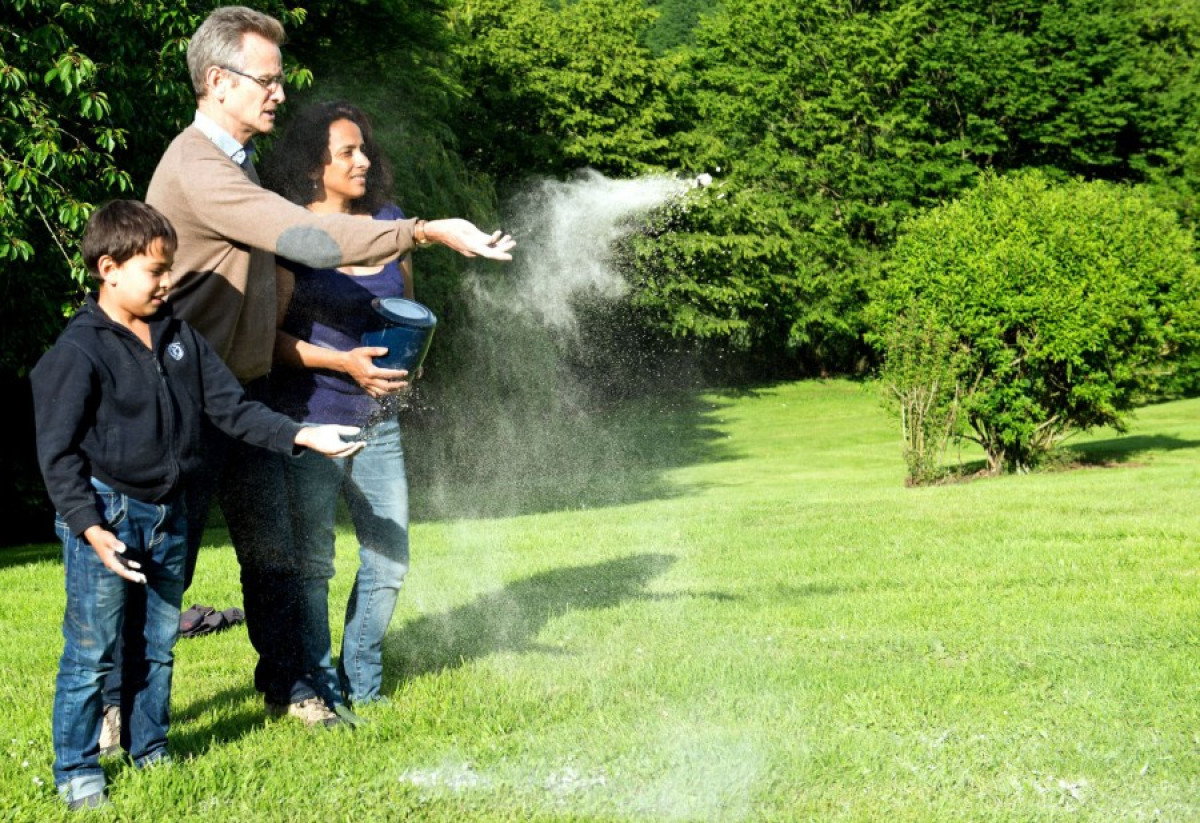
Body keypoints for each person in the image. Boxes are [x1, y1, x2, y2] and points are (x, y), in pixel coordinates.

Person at [134, 5, 514, 730]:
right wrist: (423, 230)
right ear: (218, 82)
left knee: (274, 555)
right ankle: (121, 711)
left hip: (240, 400)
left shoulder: (235, 163)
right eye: (266, 80)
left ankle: (294, 685)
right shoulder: (197, 165)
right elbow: (303, 235)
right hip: (180, 400)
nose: (279, 93)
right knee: (165, 566)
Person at [31, 201, 364, 811]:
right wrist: (90, 529)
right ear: (109, 267)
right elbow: (57, 456)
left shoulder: (179, 336)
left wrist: (303, 434)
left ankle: (149, 748)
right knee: (92, 649)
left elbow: (232, 410)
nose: (167, 282)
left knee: (158, 643)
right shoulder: (78, 351)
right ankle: (77, 770)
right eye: (155, 271)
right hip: (107, 517)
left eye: (170, 269)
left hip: (171, 514)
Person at [263, 101, 416, 709]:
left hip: (379, 422)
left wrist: (411, 362)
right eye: (347, 151)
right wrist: (344, 363)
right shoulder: (287, 234)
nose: (363, 160)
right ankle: (320, 688)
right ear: (312, 164)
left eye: (363, 148)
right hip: (310, 418)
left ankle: (364, 682)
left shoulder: (389, 221)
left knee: (390, 558)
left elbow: (410, 312)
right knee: (313, 566)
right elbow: (267, 342)